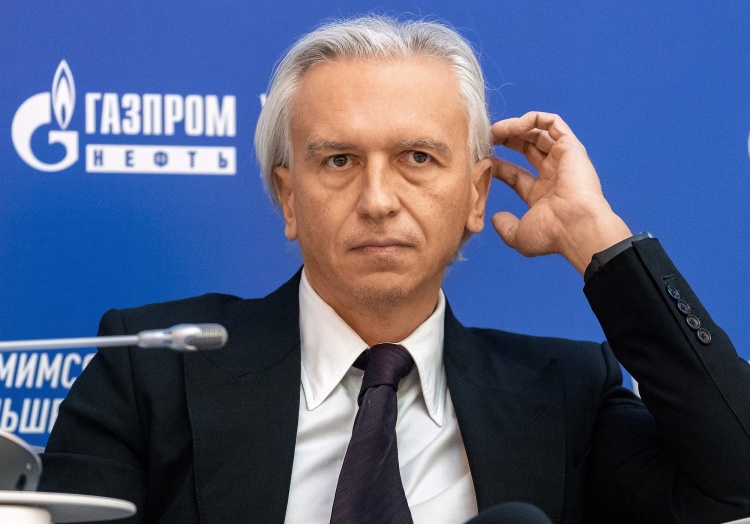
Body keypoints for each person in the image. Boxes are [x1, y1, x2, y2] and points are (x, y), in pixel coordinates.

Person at [39, 15, 750, 524]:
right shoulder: (152, 371)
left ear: (476, 196)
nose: (378, 200)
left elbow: (735, 478)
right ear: (288, 198)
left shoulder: (566, 395)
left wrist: (597, 238)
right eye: (338, 160)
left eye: (418, 158)